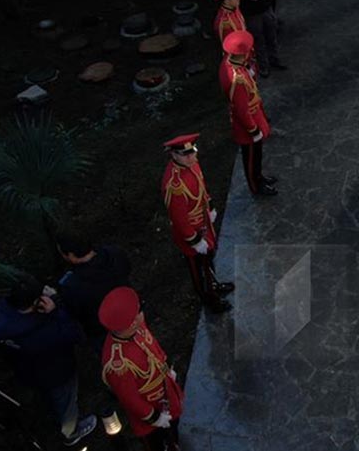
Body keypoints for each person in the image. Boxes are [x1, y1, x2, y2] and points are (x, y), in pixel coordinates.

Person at [0, 279, 96, 446]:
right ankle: (71, 432)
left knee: (49, 397)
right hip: (57, 374)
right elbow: (75, 334)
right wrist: (57, 309)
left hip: (25, 370)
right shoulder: (43, 331)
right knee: (65, 403)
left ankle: (52, 411)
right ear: (35, 303)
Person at [99, 287, 184, 450]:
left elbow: (152, 344)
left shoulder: (136, 326)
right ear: (129, 324)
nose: (141, 316)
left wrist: (166, 369)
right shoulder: (118, 364)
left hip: (166, 393)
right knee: (157, 443)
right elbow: (130, 399)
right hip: (151, 409)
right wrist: (154, 418)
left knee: (174, 429)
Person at [161, 133, 235, 313]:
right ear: (174, 155)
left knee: (208, 261)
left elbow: (202, 187)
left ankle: (214, 285)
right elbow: (179, 219)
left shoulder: (191, 164)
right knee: (199, 271)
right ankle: (210, 301)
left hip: (203, 225)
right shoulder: (174, 184)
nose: (192, 157)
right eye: (186, 154)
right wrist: (194, 241)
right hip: (191, 234)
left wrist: (209, 206)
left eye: (193, 152)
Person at [219, 31, 277, 196]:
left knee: (256, 156)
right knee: (252, 157)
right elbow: (242, 109)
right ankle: (256, 186)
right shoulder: (236, 80)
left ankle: (259, 177)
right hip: (248, 124)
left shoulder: (232, 64)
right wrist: (253, 130)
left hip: (253, 114)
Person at [56, 237, 133, 354]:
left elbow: (75, 313)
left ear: (71, 255)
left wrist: (55, 299)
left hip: (102, 331)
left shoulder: (71, 286)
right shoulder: (114, 253)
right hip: (130, 311)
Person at [233, 0, 286, 76]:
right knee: (258, 39)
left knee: (272, 35)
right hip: (251, 13)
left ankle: (275, 59)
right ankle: (263, 66)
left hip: (265, 8)